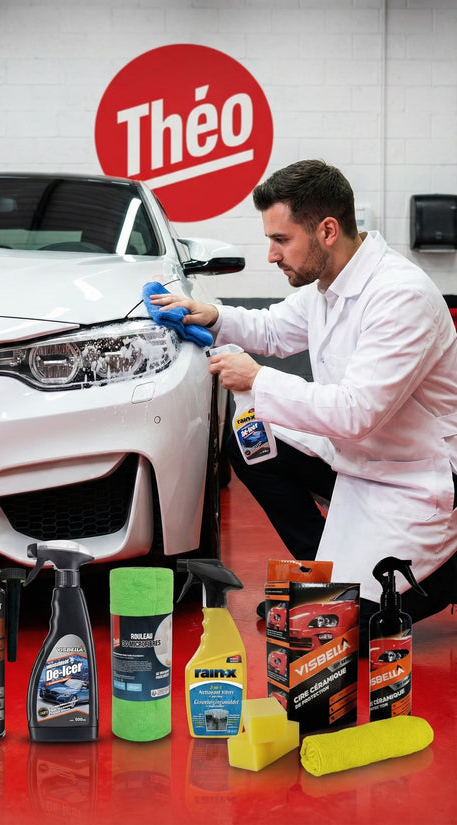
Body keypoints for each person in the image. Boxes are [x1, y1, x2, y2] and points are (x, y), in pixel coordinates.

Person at [150, 158, 457, 651]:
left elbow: (357, 412)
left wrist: (257, 379)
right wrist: (214, 316)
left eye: (281, 239)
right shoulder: (328, 287)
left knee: (347, 639)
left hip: (415, 481)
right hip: (361, 461)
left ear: (327, 231)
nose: (271, 254)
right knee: (252, 439)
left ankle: (445, 570)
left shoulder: (400, 296)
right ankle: (324, 580)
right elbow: (272, 329)